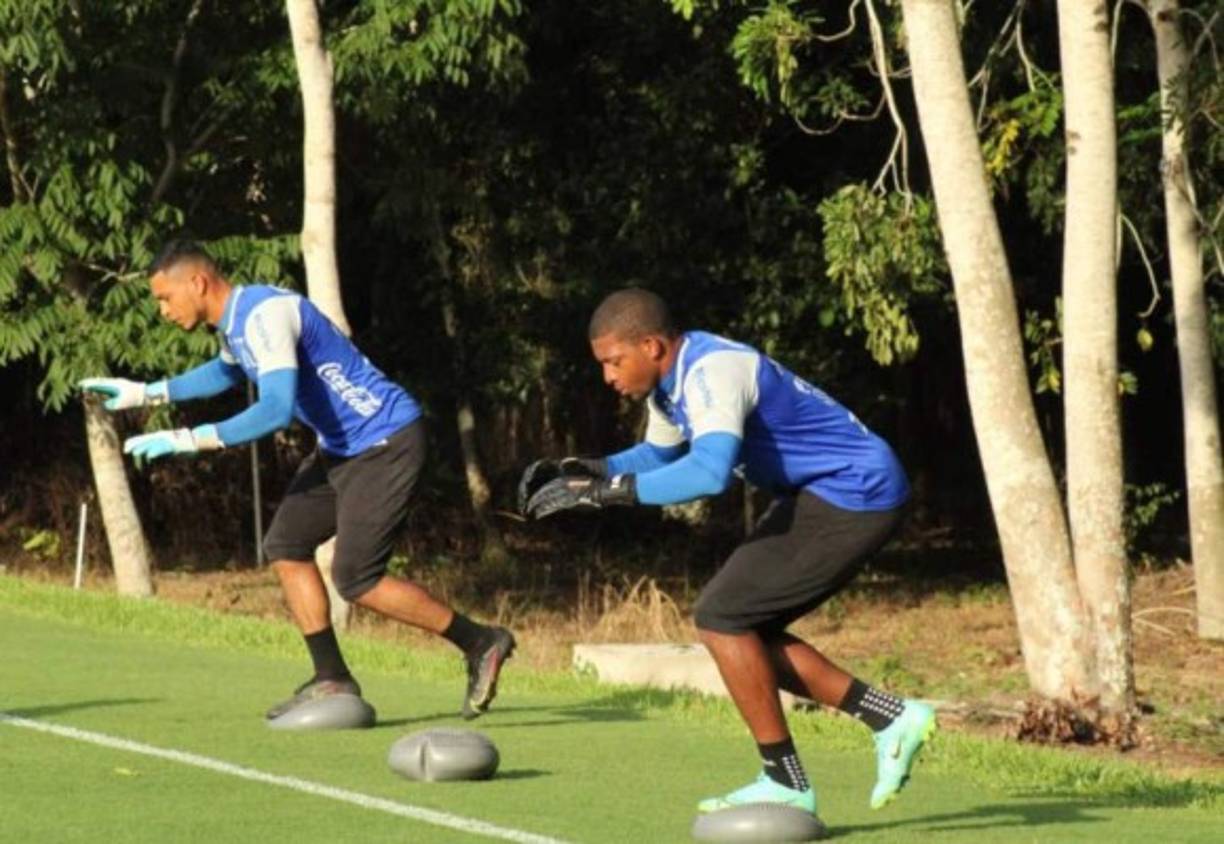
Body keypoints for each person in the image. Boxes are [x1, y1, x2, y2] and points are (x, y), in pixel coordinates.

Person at [519, 288, 934, 816]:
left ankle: (787, 780)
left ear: (650, 345)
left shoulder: (714, 372)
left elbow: (708, 473)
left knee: (722, 617)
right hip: (823, 491)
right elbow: (659, 453)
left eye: (612, 361)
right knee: (740, 626)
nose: (608, 377)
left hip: (856, 491)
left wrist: (608, 494)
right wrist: (587, 469)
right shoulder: (671, 385)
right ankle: (890, 718)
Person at [81, 240, 515, 722]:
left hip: (385, 440)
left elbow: (274, 409)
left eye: (165, 298)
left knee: (357, 578)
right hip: (343, 448)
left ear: (197, 283)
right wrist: (147, 392)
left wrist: (188, 439)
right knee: (286, 544)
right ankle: (331, 676)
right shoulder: (236, 323)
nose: (162, 310)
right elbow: (225, 373)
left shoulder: (266, 315)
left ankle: (480, 642)